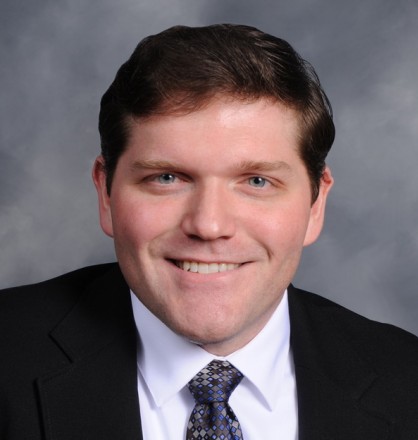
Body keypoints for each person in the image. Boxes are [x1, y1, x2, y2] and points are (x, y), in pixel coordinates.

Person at [1, 24, 417, 440]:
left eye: (257, 182)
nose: (209, 225)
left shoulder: (407, 381)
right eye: (167, 178)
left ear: (315, 204)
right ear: (106, 194)